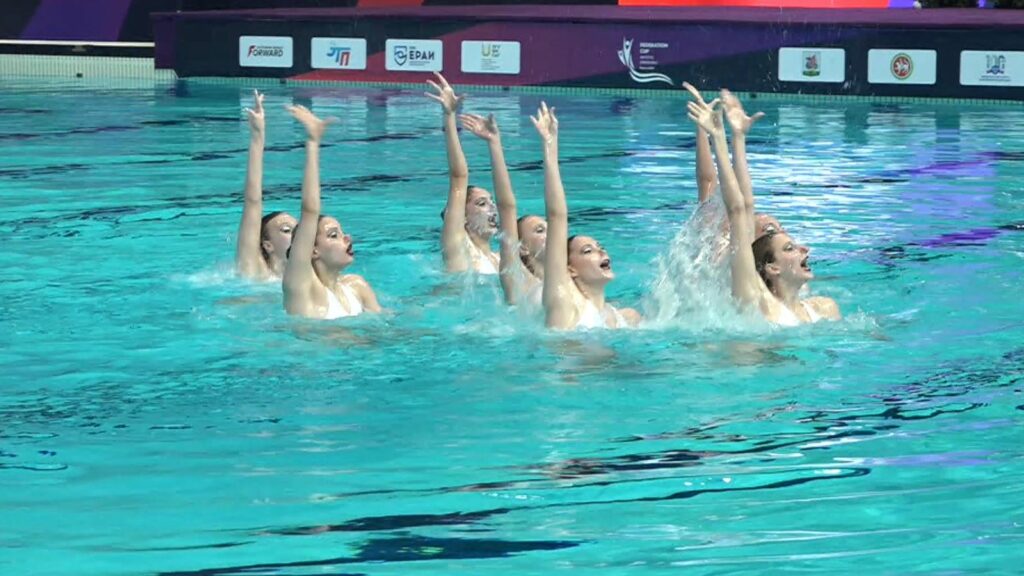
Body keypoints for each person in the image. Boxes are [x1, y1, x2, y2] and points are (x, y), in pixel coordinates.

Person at [686, 89, 840, 326]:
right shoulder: (756, 302)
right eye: (789, 248)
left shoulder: (823, 308)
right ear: (772, 267)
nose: (805, 248)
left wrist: (738, 135)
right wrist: (719, 137)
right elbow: (739, 208)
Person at [531, 102, 640, 330]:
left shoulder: (623, 317)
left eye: (599, 246)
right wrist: (550, 147)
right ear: (570, 269)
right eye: (587, 251)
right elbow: (557, 216)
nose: (601, 251)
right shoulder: (566, 305)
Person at [281, 105, 381, 319]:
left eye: (341, 232)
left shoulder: (357, 287)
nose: (347, 238)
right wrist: (313, 143)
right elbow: (309, 211)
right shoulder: (303, 288)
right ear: (313, 250)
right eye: (333, 235)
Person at [459, 112, 546, 305]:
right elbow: (507, 207)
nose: (552, 234)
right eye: (540, 230)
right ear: (521, 247)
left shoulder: (569, 285)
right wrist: (494, 143)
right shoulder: (518, 282)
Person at [424, 72, 499, 275]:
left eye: (491, 202)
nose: (493, 208)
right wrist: (449, 116)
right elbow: (459, 178)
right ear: (462, 217)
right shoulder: (459, 248)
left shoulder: (500, 260)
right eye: (482, 203)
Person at [235, 90, 297, 281]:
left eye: (297, 230)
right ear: (267, 245)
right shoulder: (255, 271)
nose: (297, 235)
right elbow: (253, 201)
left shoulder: (310, 279)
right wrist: (258, 135)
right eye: (286, 230)